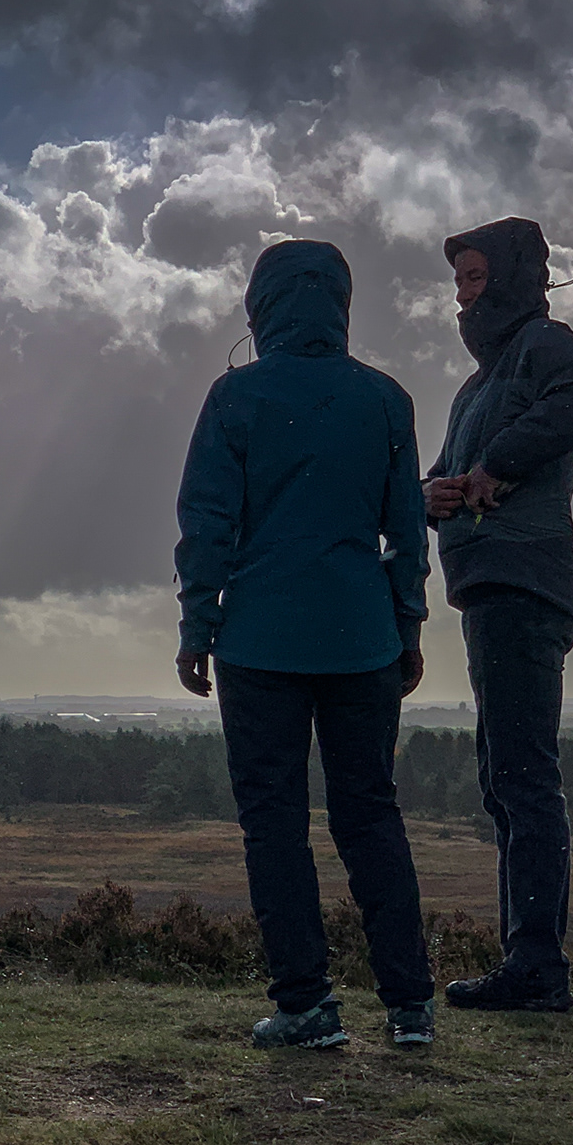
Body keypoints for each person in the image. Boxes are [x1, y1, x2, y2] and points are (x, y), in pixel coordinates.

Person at [175, 240, 436, 1050]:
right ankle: (410, 1006)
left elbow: (207, 523)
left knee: (275, 826)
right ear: (341, 305)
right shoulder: (385, 399)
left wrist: (196, 625)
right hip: (364, 638)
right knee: (370, 816)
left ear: (260, 306)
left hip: (258, 640)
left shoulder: (235, 397)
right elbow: (405, 530)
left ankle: (306, 1006)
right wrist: (408, 626)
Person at [425, 217, 573, 1013]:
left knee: (524, 779)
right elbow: (446, 476)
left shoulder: (544, 343)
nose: (463, 294)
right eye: (459, 281)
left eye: (474, 278)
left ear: (509, 279)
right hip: (493, 584)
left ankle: (536, 971)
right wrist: (429, 496)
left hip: (523, 579)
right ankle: (528, 965)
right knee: (507, 779)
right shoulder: (480, 383)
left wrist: (496, 466)